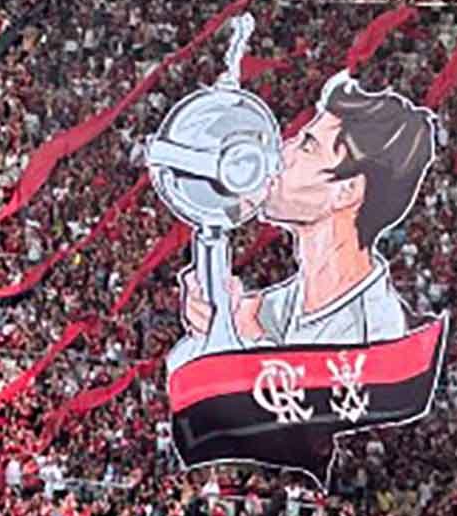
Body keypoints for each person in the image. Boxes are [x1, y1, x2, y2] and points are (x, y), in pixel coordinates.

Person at [182, 72, 436, 347]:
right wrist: (215, 309)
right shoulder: (308, 296)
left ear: (347, 191)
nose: (284, 153)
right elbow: (247, 318)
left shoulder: (363, 337)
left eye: (308, 146)